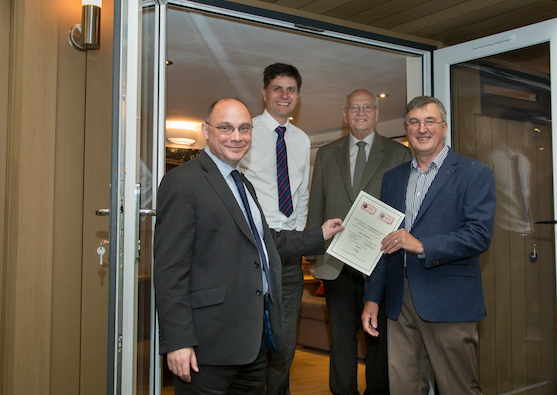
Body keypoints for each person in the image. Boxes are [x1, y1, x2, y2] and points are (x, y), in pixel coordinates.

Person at [154, 98, 344, 395]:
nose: (237, 136)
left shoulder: (243, 183)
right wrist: (177, 341)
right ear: (206, 130)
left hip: (253, 345)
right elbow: (169, 271)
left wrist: (318, 234)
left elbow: (268, 240)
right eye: (226, 128)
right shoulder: (182, 182)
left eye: (244, 128)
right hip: (209, 346)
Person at [362, 96, 496, 395]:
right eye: (414, 122)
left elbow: (478, 235)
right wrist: (372, 298)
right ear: (406, 129)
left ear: (444, 127)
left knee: (458, 388)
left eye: (430, 121)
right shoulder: (392, 179)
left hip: (448, 300)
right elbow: (384, 243)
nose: (422, 129)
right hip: (399, 301)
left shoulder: (475, 173)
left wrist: (421, 245)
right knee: (404, 388)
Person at [308, 89, 411, 395]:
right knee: (340, 341)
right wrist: (315, 258)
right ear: (345, 114)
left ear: (377, 114)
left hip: (380, 265)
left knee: (378, 341)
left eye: (368, 107)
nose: (361, 112)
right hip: (336, 265)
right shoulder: (326, 154)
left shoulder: (398, 154)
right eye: (355, 107)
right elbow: (317, 207)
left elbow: (404, 213)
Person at [239, 63, 310, 395]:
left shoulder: (301, 139)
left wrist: (297, 233)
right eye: (277, 89)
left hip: (290, 253)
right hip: (254, 249)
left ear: (297, 96)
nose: (284, 95)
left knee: (284, 343)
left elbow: (301, 192)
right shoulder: (245, 132)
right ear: (264, 93)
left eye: (291, 89)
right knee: (251, 338)